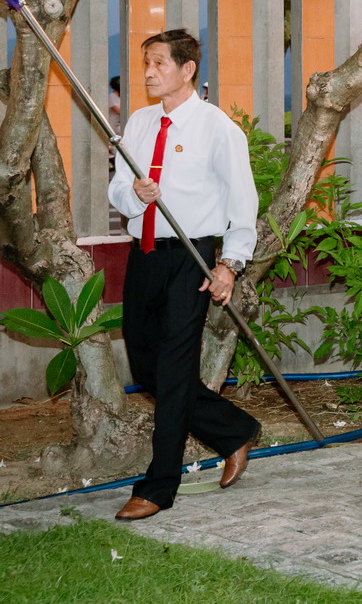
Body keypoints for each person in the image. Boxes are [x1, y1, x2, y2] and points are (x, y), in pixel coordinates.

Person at [108, 29, 260, 521]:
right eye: (146, 63)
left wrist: (229, 264)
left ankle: (158, 486)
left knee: (174, 372)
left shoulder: (218, 128)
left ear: (187, 68)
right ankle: (234, 430)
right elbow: (118, 190)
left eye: (159, 63)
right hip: (144, 254)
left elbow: (243, 202)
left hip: (191, 258)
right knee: (147, 368)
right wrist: (136, 195)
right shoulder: (138, 122)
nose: (149, 73)